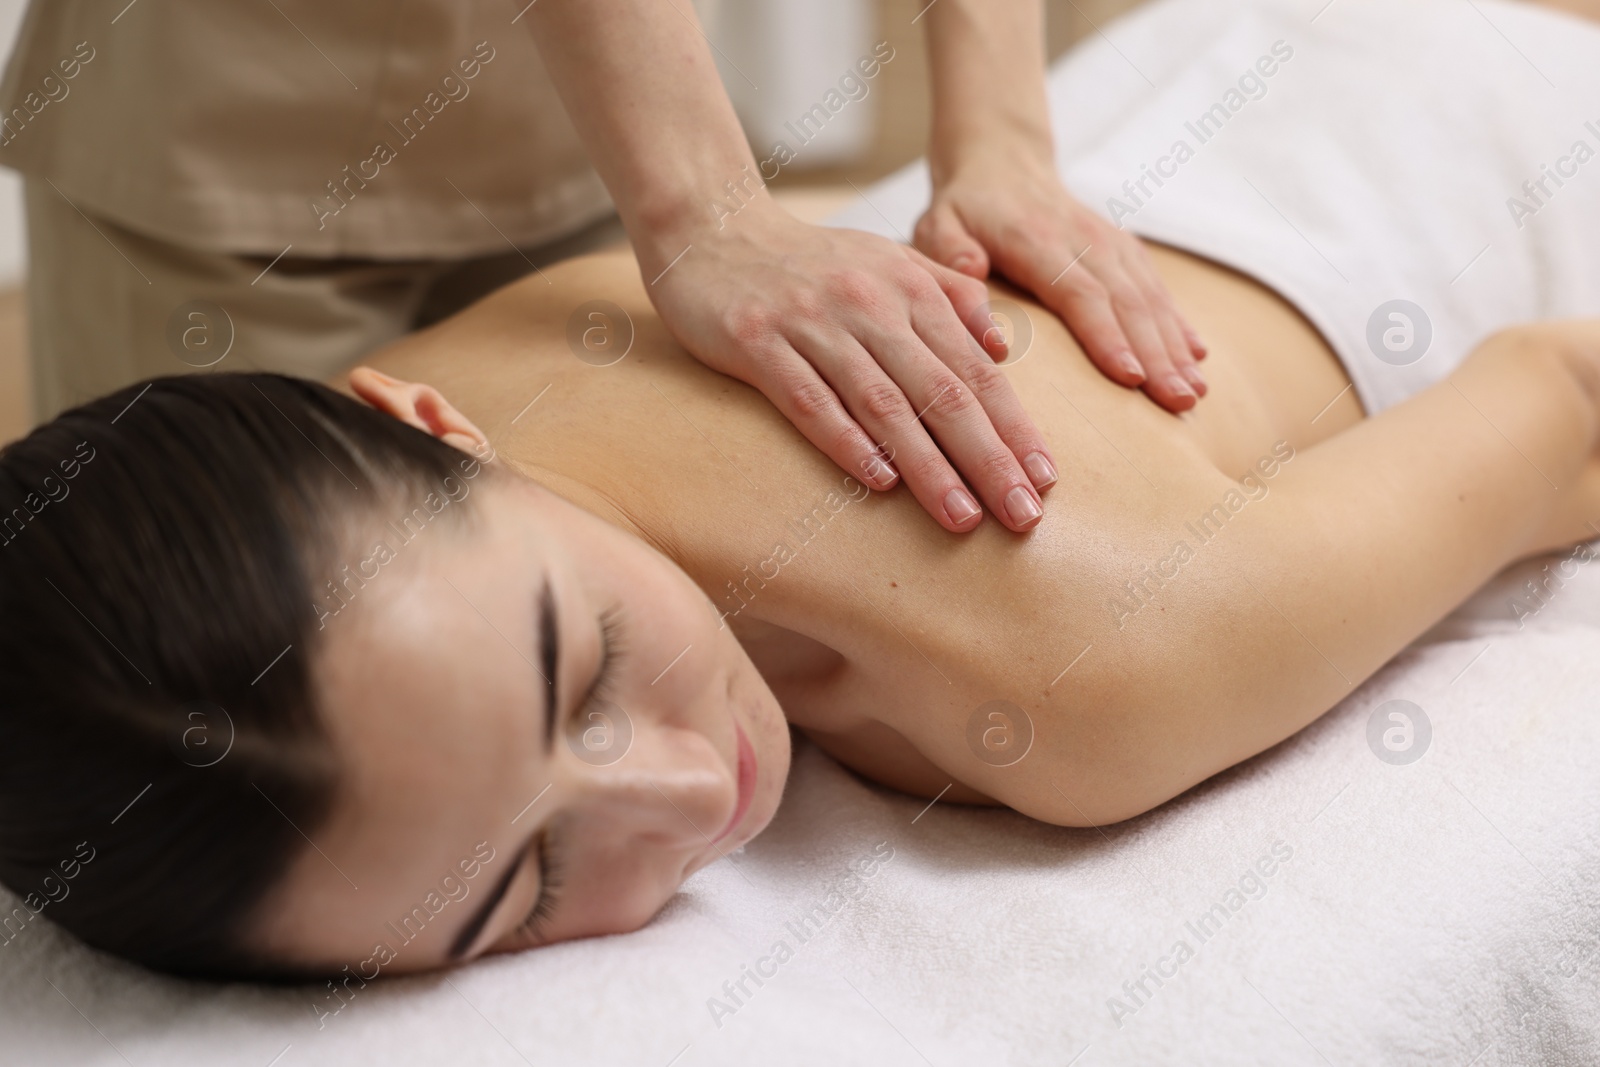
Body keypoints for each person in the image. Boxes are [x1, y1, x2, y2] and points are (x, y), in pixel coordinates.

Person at [2, 0, 1598, 983]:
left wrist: (979, 139)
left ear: (426, 419)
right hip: (224, 93)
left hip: (1474, 101)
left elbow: (1563, 397)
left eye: (591, 668)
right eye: (523, 887)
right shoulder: (397, 443)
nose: (694, 799)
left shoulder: (1085, 669)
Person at [0, 0, 1205, 534]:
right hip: (231, 137)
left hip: (591, 140)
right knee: (227, 670)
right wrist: (704, 213)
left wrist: (1000, 138)